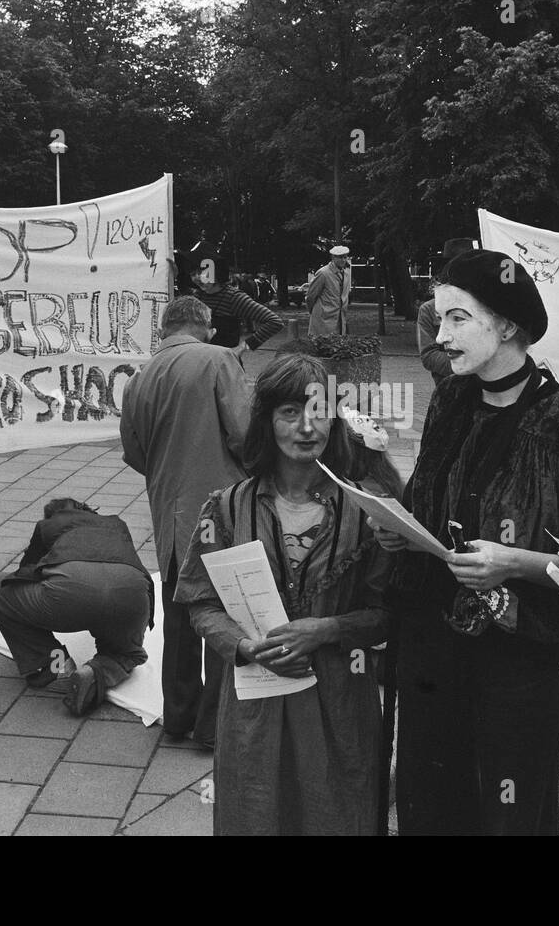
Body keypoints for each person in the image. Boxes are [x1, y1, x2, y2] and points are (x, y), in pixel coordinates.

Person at [374, 249, 559, 836]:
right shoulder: (452, 399)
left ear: (508, 326)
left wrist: (514, 562)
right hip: (433, 646)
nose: (441, 336)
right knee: (432, 802)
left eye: (458, 319)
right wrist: (398, 529)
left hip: (515, 659)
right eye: (440, 320)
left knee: (510, 812)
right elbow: (427, 503)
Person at [173, 353, 392, 835]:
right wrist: (244, 647)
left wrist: (330, 628)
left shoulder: (367, 511)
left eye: (318, 410)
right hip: (256, 705)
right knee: (256, 813)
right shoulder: (228, 507)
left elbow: (389, 612)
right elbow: (200, 600)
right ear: (267, 421)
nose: (306, 426)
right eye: (290, 412)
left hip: (337, 700)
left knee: (334, 812)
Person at [120, 294, 250, 746]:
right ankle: (213, 727)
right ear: (204, 324)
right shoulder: (219, 359)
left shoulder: (137, 378)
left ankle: (177, 716)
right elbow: (244, 433)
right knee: (219, 612)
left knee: (179, 617)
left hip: (168, 508)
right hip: (218, 506)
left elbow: (133, 452)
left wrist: (168, 474)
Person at [0, 498, 153, 716]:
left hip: (71, 595)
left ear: (52, 515)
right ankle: (95, 672)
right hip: (133, 597)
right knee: (126, 653)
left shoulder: (48, 526)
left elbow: (25, 573)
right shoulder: (116, 523)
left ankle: (55, 663)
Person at [181, 246, 284, 356]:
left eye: (203, 272)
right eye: (193, 274)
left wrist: (241, 348)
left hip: (224, 365)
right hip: (201, 361)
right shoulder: (198, 296)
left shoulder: (233, 297)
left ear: (217, 272)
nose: (198, 278)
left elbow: (274, 322)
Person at [418, 239, 474, 386]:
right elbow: (428, 355)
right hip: (448, 387)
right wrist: (467, 366)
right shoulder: (429, 309)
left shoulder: (486, 306)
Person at [305, 245, 351, 336]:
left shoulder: (346, 273)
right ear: (333, 258)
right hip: (323, 320)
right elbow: (311, 296)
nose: (343, 260)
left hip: (339, 319)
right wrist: (315, 312)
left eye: (345, 257)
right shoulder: (323, 273)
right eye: (340, 257)